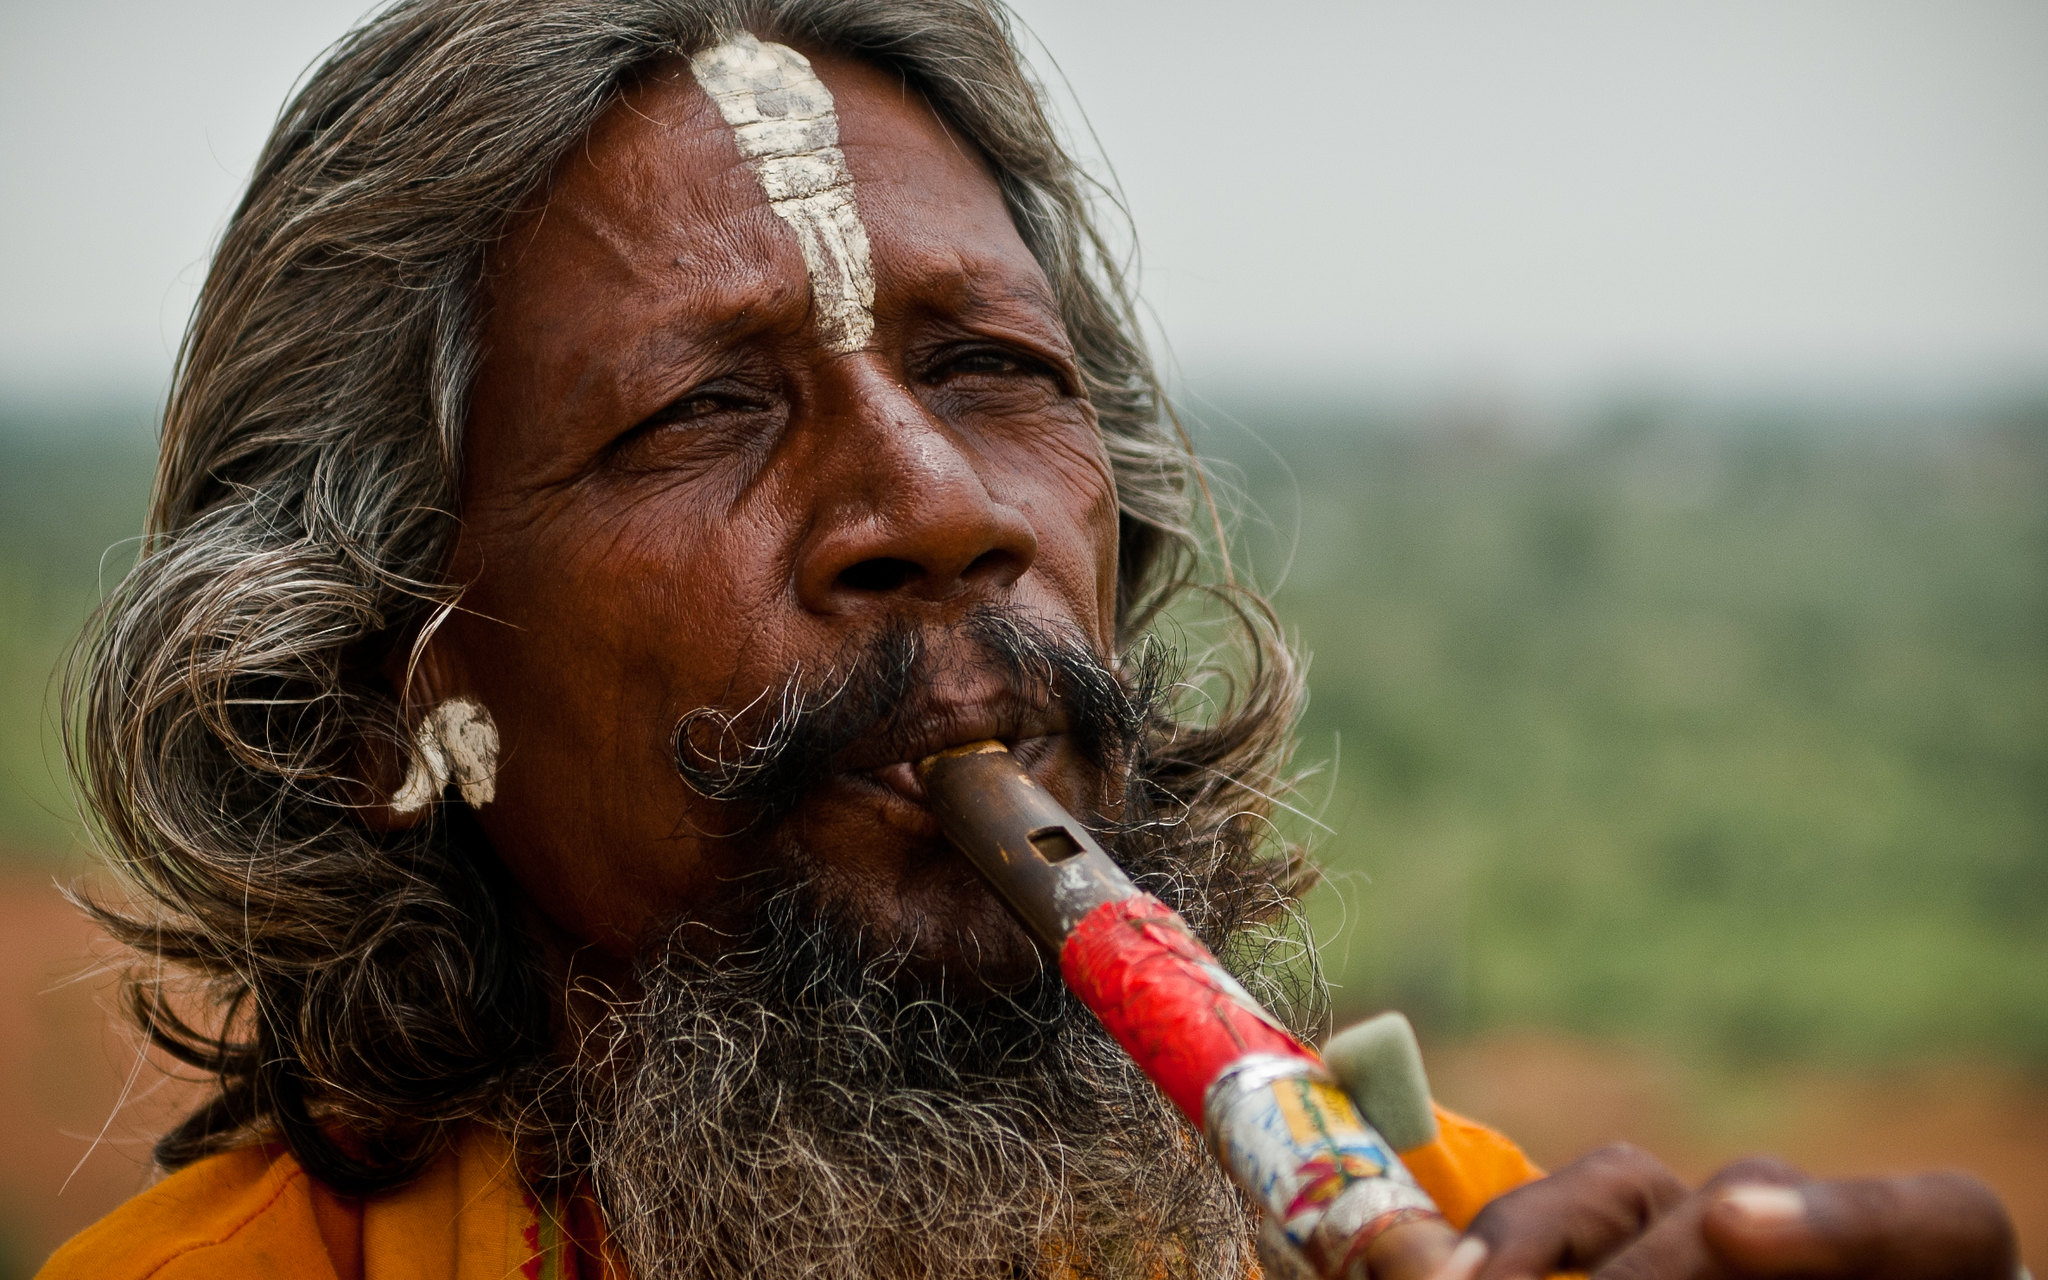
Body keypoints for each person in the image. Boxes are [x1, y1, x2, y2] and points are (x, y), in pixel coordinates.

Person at [40, 2, 2018, 1278]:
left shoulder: (1461, 1221)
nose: (939, 505)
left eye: (991, 369)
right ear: (402, 668)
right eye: (699, 413)